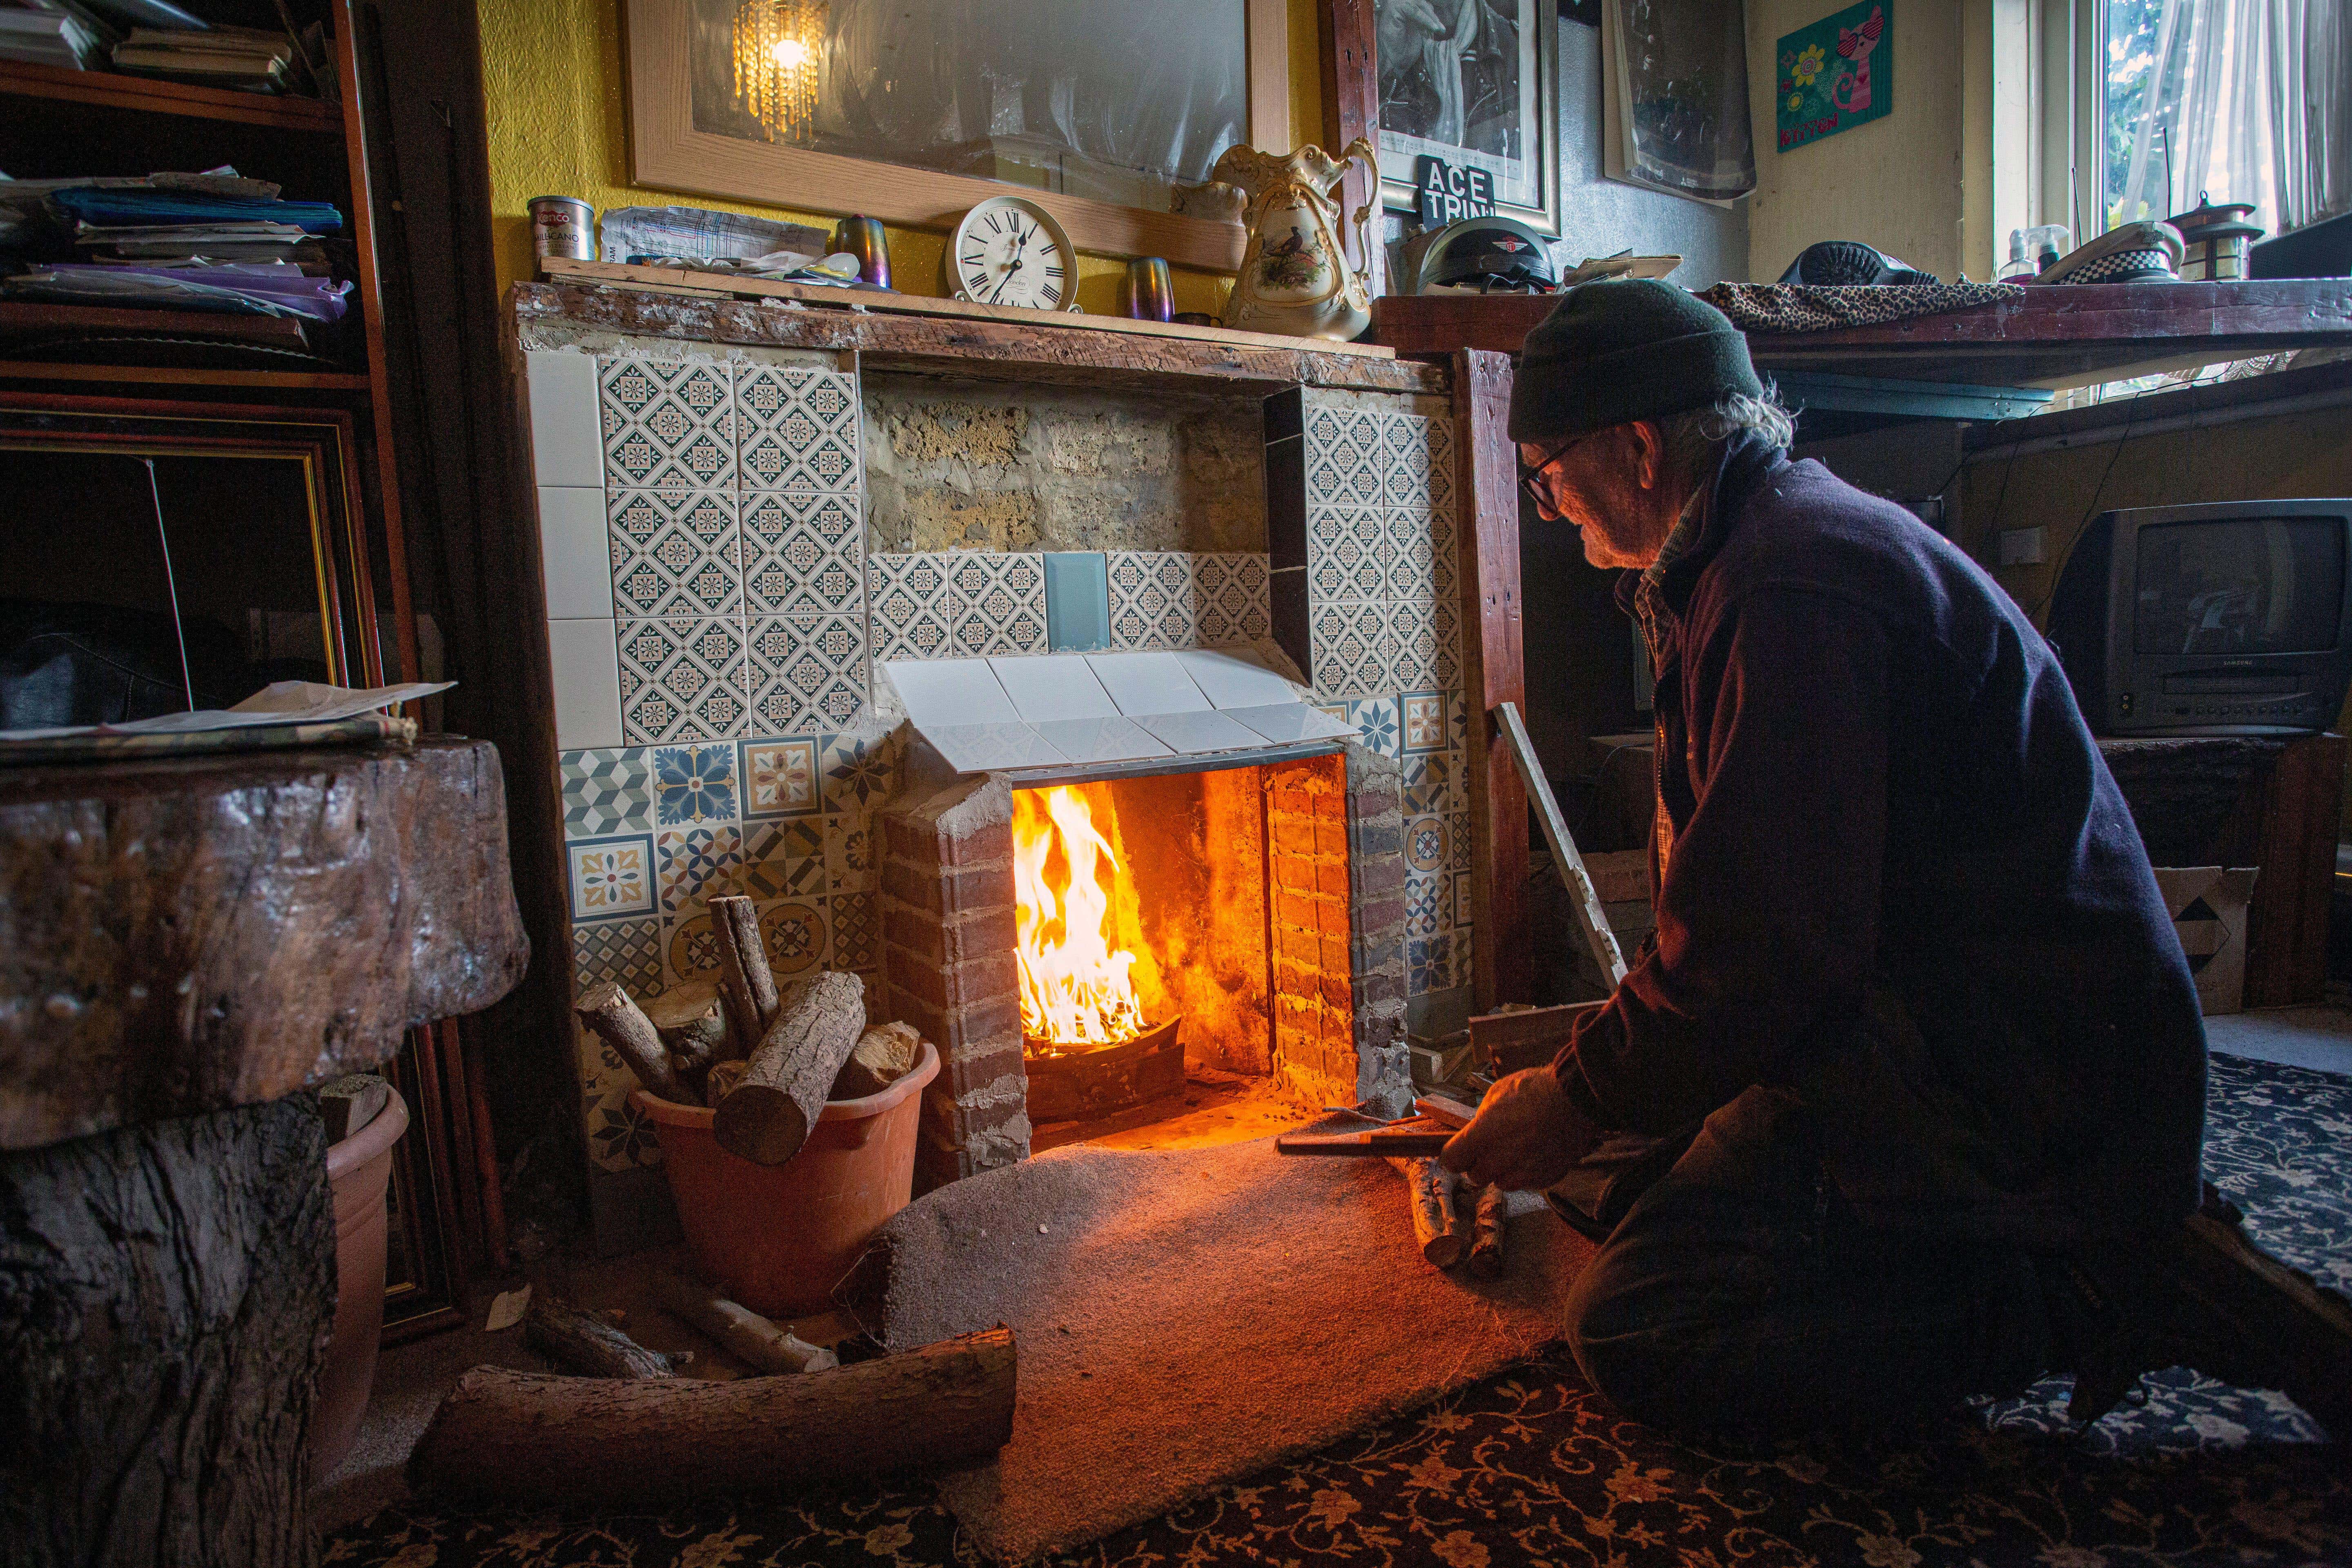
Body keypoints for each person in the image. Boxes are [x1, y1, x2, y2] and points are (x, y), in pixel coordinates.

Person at [1439, 280, 2352, 1440]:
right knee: (1622, 1188)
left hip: (2018, 1079)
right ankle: (2039, 1242)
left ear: (1638, 445)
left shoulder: (1791, 587)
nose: (1552, 509)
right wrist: (1601, 1098)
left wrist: (1574, 1098)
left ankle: (2073, 1285)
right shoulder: (1766, 547)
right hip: (1930, 1021)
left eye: (1550, 475)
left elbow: (1764, 956)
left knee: (1640, 1327)